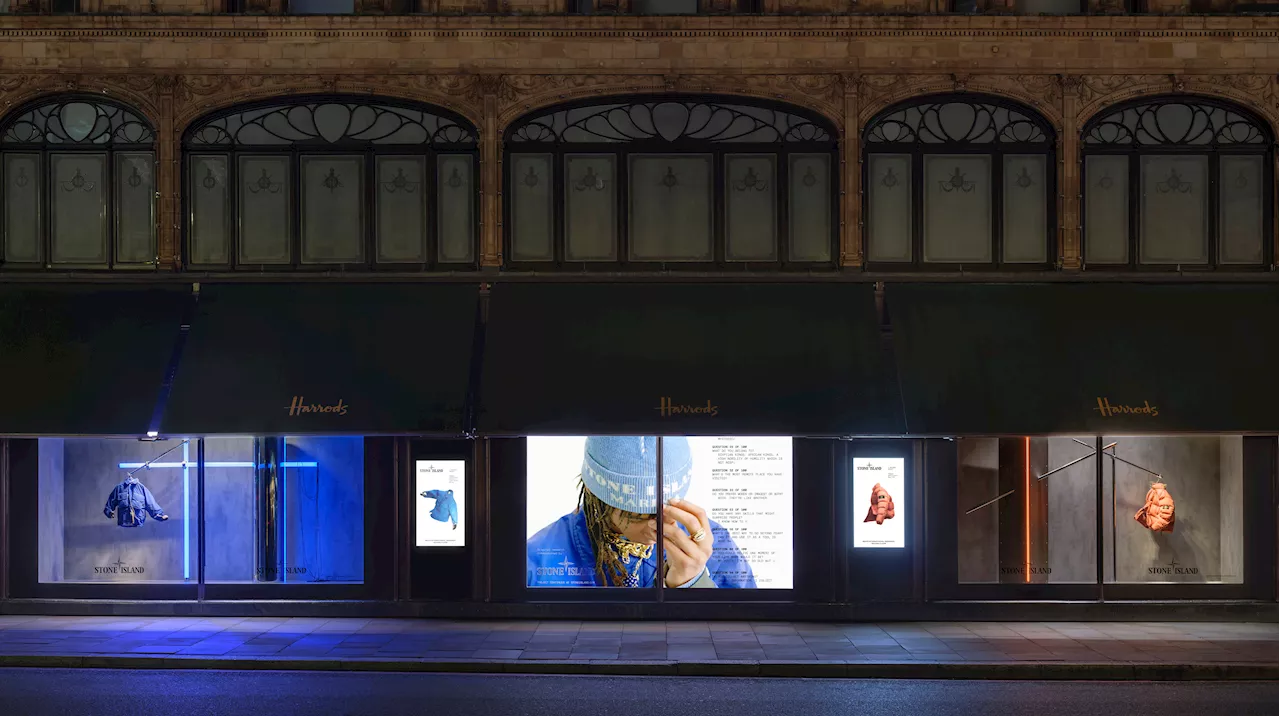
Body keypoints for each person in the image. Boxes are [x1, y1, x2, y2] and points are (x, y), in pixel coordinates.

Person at [526, 436, 756, 588]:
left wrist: (694, 584)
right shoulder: (539, 561)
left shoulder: (716, 548)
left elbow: (742, 647)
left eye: (665, 509)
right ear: (595, 495)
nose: (656, 528)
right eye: (636, 514)